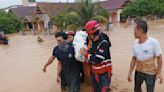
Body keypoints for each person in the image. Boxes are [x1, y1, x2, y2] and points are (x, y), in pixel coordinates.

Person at [127, 20, 163, 92]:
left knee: (150, 90)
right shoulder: (135, 43)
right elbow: (134, 59)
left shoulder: (153, 42)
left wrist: (159, 73)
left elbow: (159, 58)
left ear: (141, 31)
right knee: (136, 89)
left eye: (135, 30)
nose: (134, 32)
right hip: (139, 71)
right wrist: (130, 72)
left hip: (150, 73)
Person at [80, 20, 112, 92]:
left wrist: (85, 54)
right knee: (95, 89)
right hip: (94, 72)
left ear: (93, 34)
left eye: (88, 34)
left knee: (104, 89)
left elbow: (97, 60)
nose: (88, 35)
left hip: (104, 74)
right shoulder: (90, 41)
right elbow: (90, 53)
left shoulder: (104, 43)